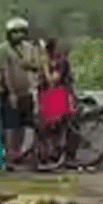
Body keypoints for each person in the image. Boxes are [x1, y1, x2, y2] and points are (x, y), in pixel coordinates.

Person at [0, 17, 42, 170]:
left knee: (23, 125)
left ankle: (18, 154)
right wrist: (11, 93)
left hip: (26, 91)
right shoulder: (3, 49)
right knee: (10, 126)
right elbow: (3, 71)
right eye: (15, 32)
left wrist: (29, 65)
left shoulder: (29, 48)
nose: (18, 35)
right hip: (9, 92)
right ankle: (10, 156)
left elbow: (37, 65)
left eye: (21, 32)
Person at [36, 38, 75, 170]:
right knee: (50, 128)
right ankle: (50, 155)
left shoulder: (58, 62)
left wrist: (45, 66)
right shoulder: (57, 60)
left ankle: (53, 156)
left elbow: (52, 80)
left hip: (56, 95)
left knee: (52, 127)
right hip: (50, 95)